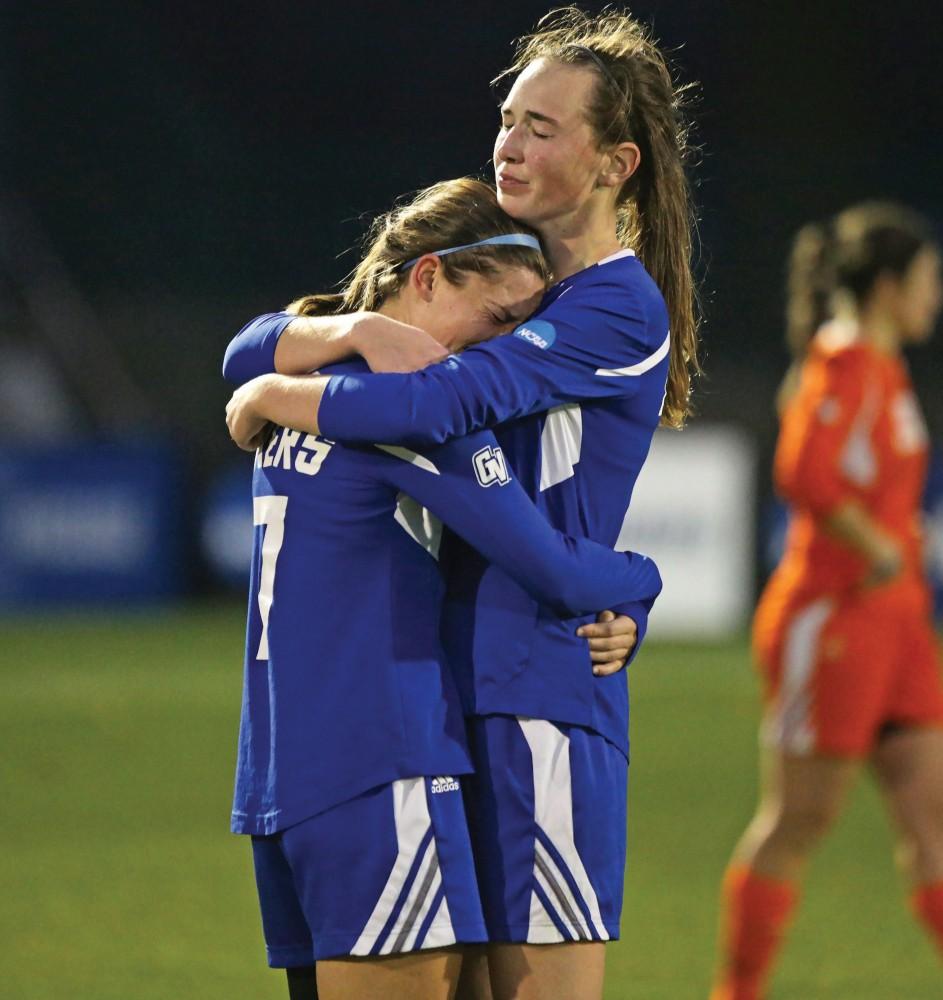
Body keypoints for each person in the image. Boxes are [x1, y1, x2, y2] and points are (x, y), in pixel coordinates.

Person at [224, 9, 700, 998]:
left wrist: (274, 392)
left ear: (614, 162)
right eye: (509, 117)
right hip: (445, 689)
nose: (509, 142)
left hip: (538, 685)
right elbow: (248, 347)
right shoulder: (502, 275)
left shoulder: (612, 303)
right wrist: (345, 328)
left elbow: (437, 402)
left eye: (542, 126)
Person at [709, 202, 943, 1000]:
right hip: (833, 618)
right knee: (799, 821)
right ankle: (735, 993)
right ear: (887, 285)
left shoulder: (882, 364)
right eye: (925, 279)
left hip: (897, 624)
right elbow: (803, 472)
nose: (933, 296)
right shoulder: (841, 361)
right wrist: (878, 549)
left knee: (931, 817)